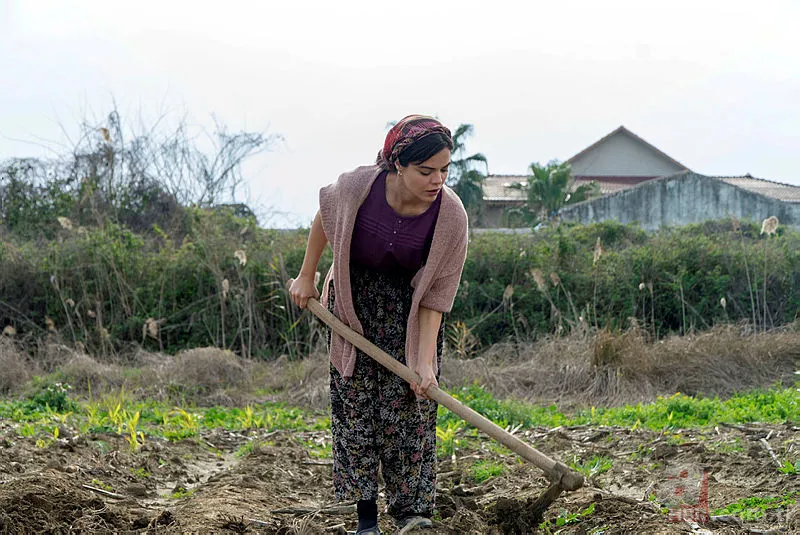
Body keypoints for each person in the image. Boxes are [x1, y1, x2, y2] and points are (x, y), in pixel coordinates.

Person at [288, 115, 469, 534]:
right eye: (426, 171)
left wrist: (424, 363)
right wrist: (307, 274)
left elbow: (437, 295)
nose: (436, 180)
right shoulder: (358, 187)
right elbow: (325, 217)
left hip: (411, 309)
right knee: (357, 409)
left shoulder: (451, 217)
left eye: (444, 170)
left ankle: (413, 516)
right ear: (398, 165)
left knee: (413, 406)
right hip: (354, 303)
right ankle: (366, 521)